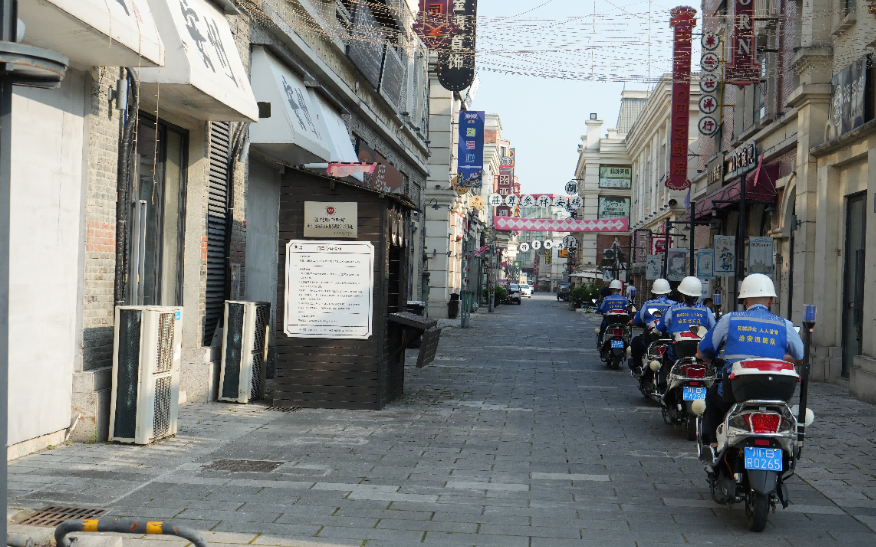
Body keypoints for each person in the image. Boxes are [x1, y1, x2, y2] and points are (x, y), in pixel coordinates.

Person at [696, 274, 804, 460]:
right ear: (771, 301)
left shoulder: (729, 320)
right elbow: (800, 356)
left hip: (734, 395)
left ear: (744, 300)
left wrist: (703, 357)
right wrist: (779, 357)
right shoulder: (784, 325)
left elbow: (704, 351)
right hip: (776, 395)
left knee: (713, 395)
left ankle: (713, 446)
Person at [653, 277, 716, 387]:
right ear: (697, 296)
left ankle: (663, 386)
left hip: (677, 353)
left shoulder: (673, 309)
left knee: (665, 360)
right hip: (700, 352)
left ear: (682, 294)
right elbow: (714, 330)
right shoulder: (706, 310)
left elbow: (660, 328)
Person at [628, 279, 674, 371]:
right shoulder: (675, 305)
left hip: (650, 339)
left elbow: (637, 320)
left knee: (636, 342)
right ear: (668, 292)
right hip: (670, 340)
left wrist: (630, 322)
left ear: (654, 293)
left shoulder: (647, 304)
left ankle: (638, 367)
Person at [597, 279, 630, 348]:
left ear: (610, 290)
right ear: (620, 290)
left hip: (609, 322)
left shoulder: (606, 299)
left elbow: (600, 308)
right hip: (622, 323)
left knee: (602, 330)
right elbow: (628, 309)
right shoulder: (625, 299)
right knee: (628, 331)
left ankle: (600, 343)